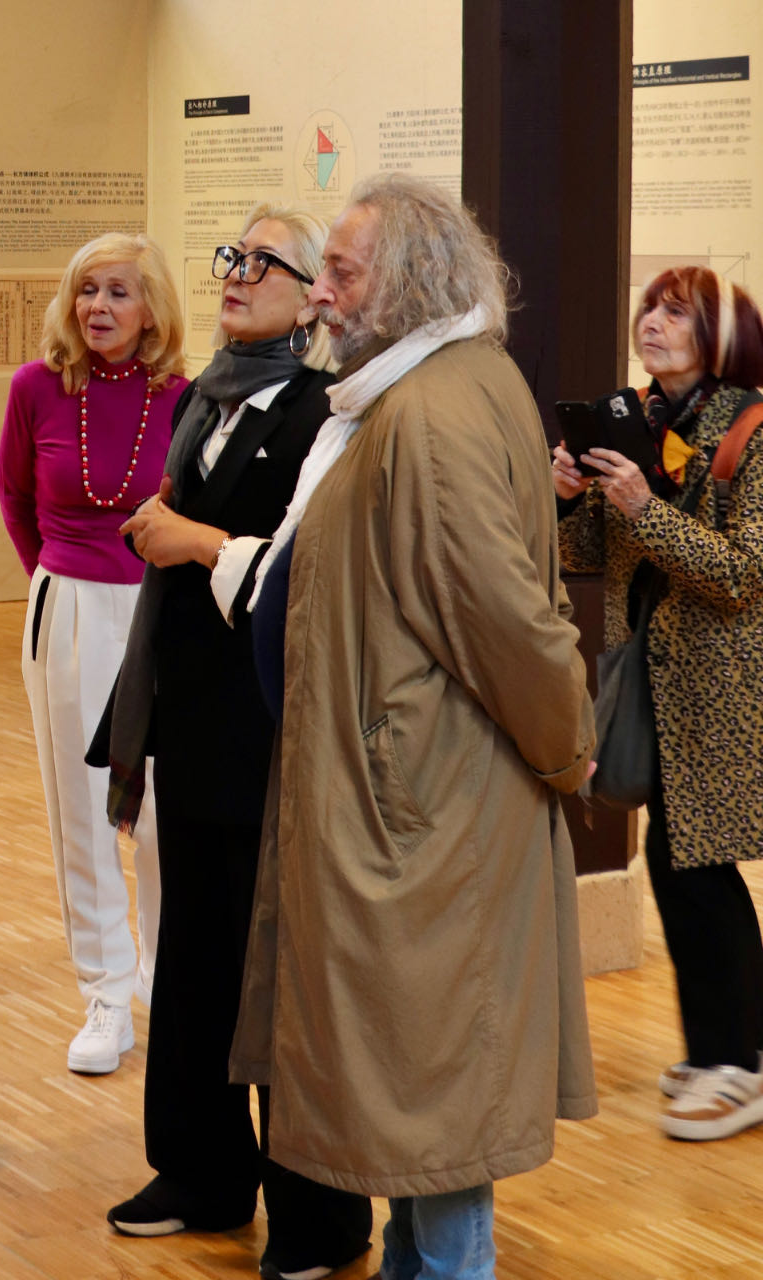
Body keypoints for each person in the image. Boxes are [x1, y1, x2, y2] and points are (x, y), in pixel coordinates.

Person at [227, 173, 597, 1280]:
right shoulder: (414, 390)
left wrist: (567, 745)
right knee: (416, 1101)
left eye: (342, 272)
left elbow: (508, 627)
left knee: (432, 1105)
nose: (321, 296)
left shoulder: (425, 416)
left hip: (425, 816)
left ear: (413, 282)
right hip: (404, 802)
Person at [93, 204, 372, 1280]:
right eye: (231, 255)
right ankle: (202, 1170)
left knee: (282, 979)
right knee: (199, 957)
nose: (237, 273)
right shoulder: (206, 395)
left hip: (276, 728)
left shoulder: (319, 414)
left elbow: (314, 565)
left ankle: (321, 1214)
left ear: (313, 296)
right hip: (197, 729)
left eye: (266, 261)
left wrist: (187, 536)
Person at [553, 266, 763, 1141]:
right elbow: (593, 551)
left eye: (676, 311)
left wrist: (644, 504)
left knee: (700, 872)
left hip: (721, 688)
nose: (652, 321)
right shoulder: (637, 419)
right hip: (652, 676)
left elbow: (741, 575)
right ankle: (719, 1047)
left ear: (719, 334)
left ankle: (740, 1063)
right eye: (649, 306)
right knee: (678, 869)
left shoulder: (752, 428)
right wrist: (571, 496)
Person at [0, 233, 185, 1074]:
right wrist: (58, 578)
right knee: (81, 806)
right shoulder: (35, 388)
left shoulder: (184, 395)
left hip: (160, 612)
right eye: (87, 292)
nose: (99, 308)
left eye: (118, 293)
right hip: (67, 604)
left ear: (152, 311)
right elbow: (14, 496)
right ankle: (106, 993)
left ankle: (160, 974)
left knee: (159, 812)